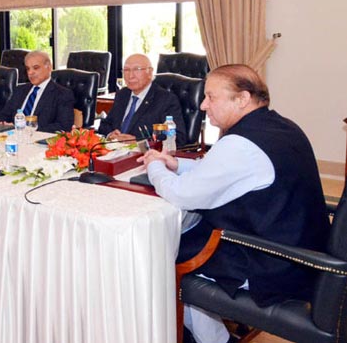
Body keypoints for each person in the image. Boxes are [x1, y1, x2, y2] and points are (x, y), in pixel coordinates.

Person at [140, 64, 330, 343]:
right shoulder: (281, 126)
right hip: (301, 246)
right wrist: (176, 164)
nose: (203, 105)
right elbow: (224, 173)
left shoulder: (241, 144)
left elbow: (181, 195)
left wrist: (155, 165)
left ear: (242, 98)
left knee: (164, 248)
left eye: (211, 97)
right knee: (186, 233)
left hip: (274, 262)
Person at [98, 53, 187, 145]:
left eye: (137, 69)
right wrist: (110, 135)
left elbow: (178, 138)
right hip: (115, 152)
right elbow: (105, 125)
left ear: (150, 72)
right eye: (126, 70)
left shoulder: (166, 100)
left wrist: (139, 142)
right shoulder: (122, 94)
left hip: (145, 155)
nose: (130, 76)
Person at [0, 50, 74, 133]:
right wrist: (4, 123)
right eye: (28, 69)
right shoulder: (19, 90)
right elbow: (2, 115)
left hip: (39, 140)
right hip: (14, 137)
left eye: (36, 68)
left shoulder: (62, 94)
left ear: (49, 67)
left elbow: (64, 126)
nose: (30, 72)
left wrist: (29, 129)